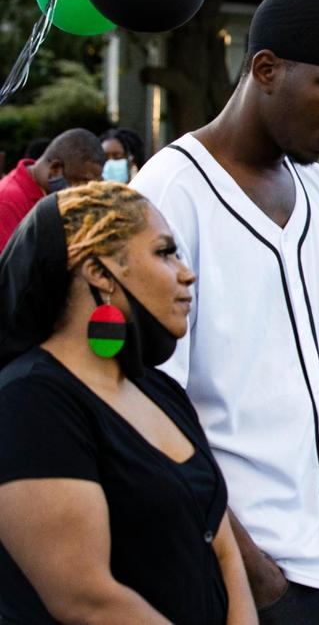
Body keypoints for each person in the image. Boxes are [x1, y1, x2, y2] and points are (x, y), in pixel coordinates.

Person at [131, 0, 319, 623]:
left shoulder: (316, 186)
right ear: (266, 69)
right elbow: (148, 406)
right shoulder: (169, 192)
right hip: (260, 569)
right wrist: (245, 565)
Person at [0, 182, 256, 624]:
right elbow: (86, 599)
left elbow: (224, 549)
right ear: (100, 272)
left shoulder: (159, 391)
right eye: (164, 253)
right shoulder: (29, 403)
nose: (186, 272)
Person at [0, 128, 105, 251]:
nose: (85, 190)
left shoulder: (49, 195)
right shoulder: (7, 202)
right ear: (55, 169)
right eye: (82, 182)